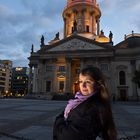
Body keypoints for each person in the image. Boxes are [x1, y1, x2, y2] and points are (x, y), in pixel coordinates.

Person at [53, 66, 117, 140]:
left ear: (98, 84)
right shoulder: (79, 101)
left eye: (88, 82)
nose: (83, 86)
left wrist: (58, 120)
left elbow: (67, 136)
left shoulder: (93, 108)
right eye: (80, 81)